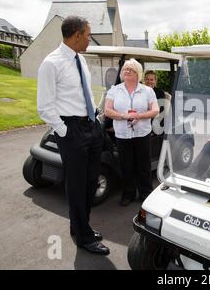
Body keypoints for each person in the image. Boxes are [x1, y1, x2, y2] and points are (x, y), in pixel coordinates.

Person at [37, 16, 109, 255]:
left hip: (90, 126)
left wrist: (95, 120)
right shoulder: (51, 63)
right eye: (88, 35)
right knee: (77, 185)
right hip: (72, 131)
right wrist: (64, 132)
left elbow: (83, 94)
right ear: (76, 35)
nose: (90, 39)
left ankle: (80, 226)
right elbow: (45, 106)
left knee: (90, 181)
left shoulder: (80, 59)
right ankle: (84, 236)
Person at [104, 59, 159, 206]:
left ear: (138, 73)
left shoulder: (147, 91)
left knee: (143, 166)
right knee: (126, 165)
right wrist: (124, 116)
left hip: (142, 134)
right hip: (122, 135)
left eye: (131, 69)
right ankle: (128, 193)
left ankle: (145, 193)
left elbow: (155, 110)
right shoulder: (114, 90)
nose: (127, 71)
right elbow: (107, 111)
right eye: (125, 69)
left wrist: (138, 116)